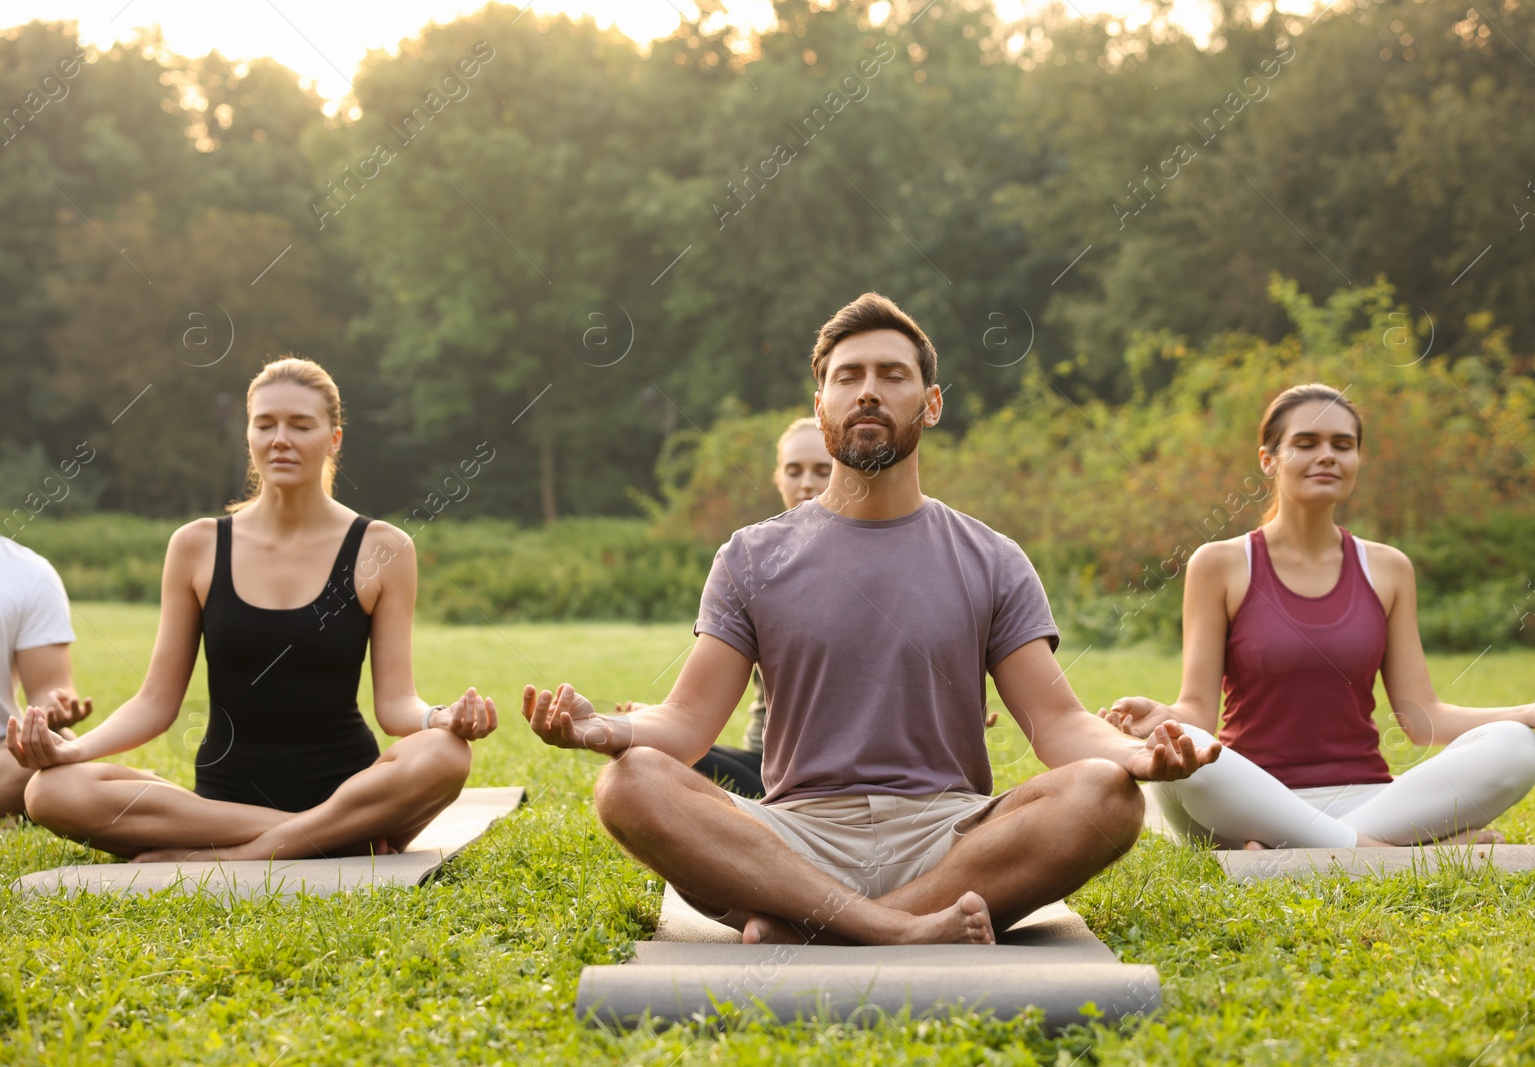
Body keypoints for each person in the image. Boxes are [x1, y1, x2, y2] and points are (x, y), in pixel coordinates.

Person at [525, 292, 1218, 946]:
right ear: (819, 403)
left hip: (950, 837)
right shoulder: (750, 556)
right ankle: (899, 929)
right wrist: (605, 728)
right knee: (629, 781)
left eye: (893, 374)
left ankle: (816, 928)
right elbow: (685, 723)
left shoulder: (993, 558)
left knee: (1106, 796)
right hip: (793, 838)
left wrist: (1134, 755)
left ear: (932, 402)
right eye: (848, 375)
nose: (869, 390)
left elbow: (1058, 723)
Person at [8, 357, 498, 861]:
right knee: (49, 792)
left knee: (445, 754)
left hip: (350, 788)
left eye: (301, 425)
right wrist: (74, 751)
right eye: (265, 424)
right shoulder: (196, 546)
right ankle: (321, 838)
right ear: (249, 436)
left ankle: (237, 856)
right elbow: (155, 703)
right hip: (228, 801)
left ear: (334, 440)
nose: (280, 438)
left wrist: (439, 718)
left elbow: (395, 705)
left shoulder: (383, 548)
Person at [1100, 383, 1535, 850]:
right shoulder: (1221, 563)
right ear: (1269, 460)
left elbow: (1423, 718)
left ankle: (1305, 852)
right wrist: (1164, 718)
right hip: (1248, 798)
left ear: (1357, 458)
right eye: (1306, 442)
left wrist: (1531, 714)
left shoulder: (1388, 568)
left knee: (1516, 747)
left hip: (1369, 799)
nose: (1327, 456)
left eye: (1343, 444)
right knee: (1191, 751)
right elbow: (1197, 712)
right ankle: (1391, 855)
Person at [677, 416, 832, 799]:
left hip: (839, 769)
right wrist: (655, 723)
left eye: (822, 469)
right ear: (778, 478)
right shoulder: (753, 561)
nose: (807, 483)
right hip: (764, 765)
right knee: (649, 752)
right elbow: (698, 706)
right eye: (794, 471)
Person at [1, 536, 93, 822]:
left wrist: (52, 708)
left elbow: (48, 687)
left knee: (59, 745)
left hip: (4, 756)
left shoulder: (29, 573)